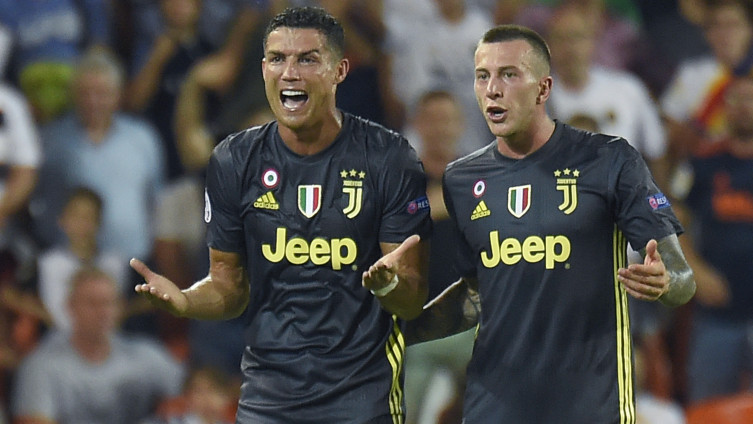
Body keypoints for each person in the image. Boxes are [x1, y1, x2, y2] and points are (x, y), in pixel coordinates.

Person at [130, 6, 431, 423]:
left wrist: (390, 285)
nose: (289, 73)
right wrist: (186, 300)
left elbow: (412, 300)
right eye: (277, 59)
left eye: (307, 59)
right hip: (269, 400)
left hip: (361, 398)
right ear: (263, 69)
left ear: (339, 71)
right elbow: (228, 287)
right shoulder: (233, 160)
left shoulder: (388, 158)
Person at [404, 24, 695, 423]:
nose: (493, 89)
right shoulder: (462, 180)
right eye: (483, 76)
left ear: (543, 89)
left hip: (588, 405)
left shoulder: (610, 160)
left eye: (509, 74)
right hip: (495, 407)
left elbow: (682, 277)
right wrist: (396, 328)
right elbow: (477, 295)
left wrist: (666, 283)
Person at [29, 46, 165, 261]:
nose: (93, 101)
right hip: (67, 262)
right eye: (85, 93)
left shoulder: (143, 138)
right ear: (73, 95)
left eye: (102, 93)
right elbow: (36, 198)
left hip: (133, 260)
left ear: (118, 95)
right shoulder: (51, 140)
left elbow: (157, 200)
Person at [10, 266, 185, 424]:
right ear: (70, 307)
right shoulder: (41, 366)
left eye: (108, 303)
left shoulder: (145, 355)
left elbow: (192, 397)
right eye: (92, 303)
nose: (102, 312)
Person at [674, 74, 753, 404]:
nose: (743, 107)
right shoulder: (701, 161)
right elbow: (671, 218)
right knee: (708, 407)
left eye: (750, 99)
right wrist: (695, 270)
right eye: (736, 99)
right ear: (725, 108)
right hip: (717, 311)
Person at [36, 186, 129, 331]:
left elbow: (114, 312)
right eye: (76, 216)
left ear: (100, 222)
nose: (82, 223)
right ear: (62, 220)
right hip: (64, 339)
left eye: (89, 217)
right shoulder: (49, 264)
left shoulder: (115, 263)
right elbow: (59, 316)